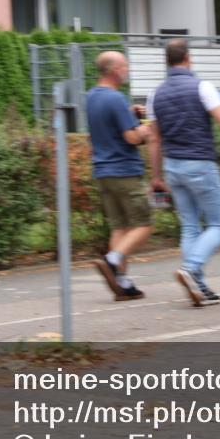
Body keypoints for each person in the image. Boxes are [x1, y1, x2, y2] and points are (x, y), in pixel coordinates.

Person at [146, 39, 220, 307]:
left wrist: (156, 176)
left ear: (167, 61)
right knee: (219, 224)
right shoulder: (202, 87)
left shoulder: (154, 94)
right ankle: (192, 269)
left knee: (191, 226)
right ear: (188, 58)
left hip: (173, 167)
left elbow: (154, 140)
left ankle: (200, 287)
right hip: (200, 165)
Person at [86, 50, 152, 302]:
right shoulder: (115, 98)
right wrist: (148, 128)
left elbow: (106, 127)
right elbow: (132, 137)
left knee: (120, 227)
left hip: (102, 171)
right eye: (124, 66)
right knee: (143, 225)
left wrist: (129, 113)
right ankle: (112, 261)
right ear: (113, 70)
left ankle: (122, 284)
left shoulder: (92, 97)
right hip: (125, 171)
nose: (127, 70)